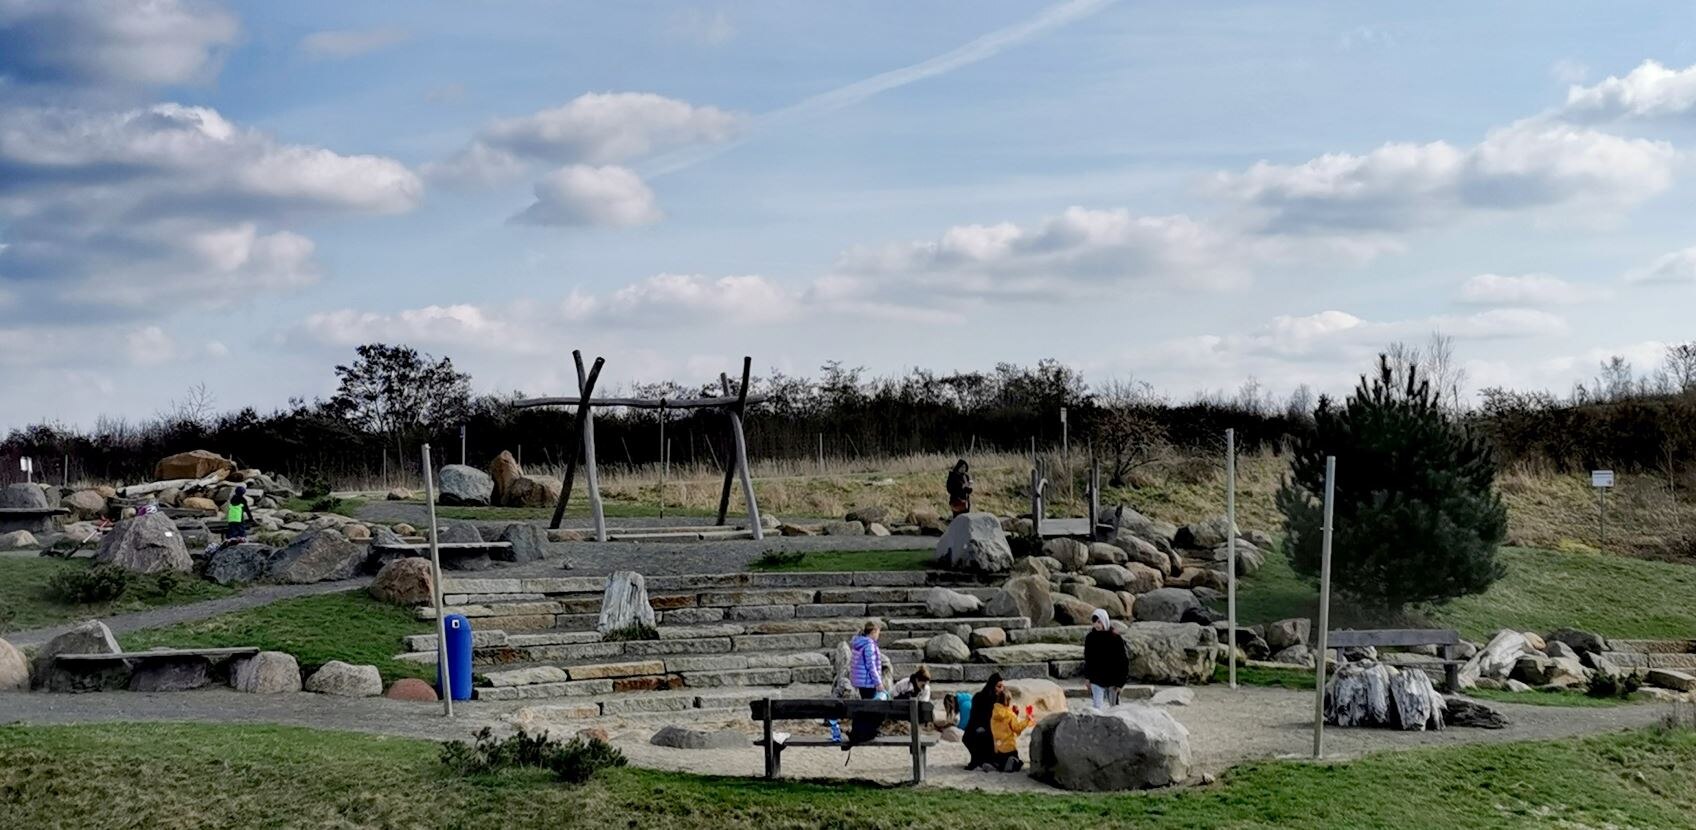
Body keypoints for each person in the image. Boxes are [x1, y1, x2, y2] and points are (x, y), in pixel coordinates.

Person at [845, 621, 887, 747]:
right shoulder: (869, 645)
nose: (879, 635)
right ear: (873, 631)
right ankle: (863, 734)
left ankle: (858, 733)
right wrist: (878, 682)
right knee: (873, 708)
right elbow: (871, 666)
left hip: (860, 681)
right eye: (878, 632)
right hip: (868, 682)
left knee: (865, 707)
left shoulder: (859, 643)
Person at [1081, 608, 1130, 710]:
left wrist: (1121, 682)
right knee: (1097, 707)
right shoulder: (1090, 638)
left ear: (1104, 621)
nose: (1096, 625)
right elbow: (1088, 658)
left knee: (1114, 708)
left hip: (1113, 679)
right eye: (1094, 622)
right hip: (1096, 678)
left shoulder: (1115, 638)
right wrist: (1087, 678)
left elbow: (1123, 661)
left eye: (1099, 622)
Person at [961, 672, 1002, 770]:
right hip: (978, 726)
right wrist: (978, 726)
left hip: (992, 728)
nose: (1001, 689)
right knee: (970, 736)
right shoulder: (979, 697)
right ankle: (978, 761)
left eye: (1001, 687)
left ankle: (985, 761)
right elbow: (974, 715)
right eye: (998, 686)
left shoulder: (999, 699)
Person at [988, 687, 1034, 772]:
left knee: (1000, 760)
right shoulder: (1009, 715)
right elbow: (1017, 728)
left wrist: (1014, 714)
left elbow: (1003, 724)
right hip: (1009, 747)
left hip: (997, 747)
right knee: (1018, 762)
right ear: (1008, 701)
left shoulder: (994, 712)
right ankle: (1012, 762)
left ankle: (998, 764)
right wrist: (1027, 720)